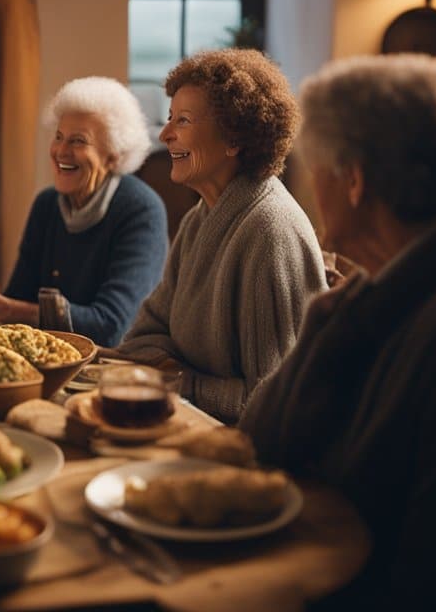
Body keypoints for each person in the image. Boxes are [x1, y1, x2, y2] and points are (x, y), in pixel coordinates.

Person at [240, 55, 436, 609]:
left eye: (313, 166)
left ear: (353, 180)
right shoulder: (371, 294)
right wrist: (332, 312)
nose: (307, 185)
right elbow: (258, 445)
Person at [114, 48, 326, 423]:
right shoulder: (200, 217)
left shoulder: (269, 231)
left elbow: (269, 405)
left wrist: (178, 380)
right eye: (168, 118)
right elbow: (141, 338)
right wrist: (179, 373)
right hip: (192, 426)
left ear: (234, 138)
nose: (165, 134)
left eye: (183, 120)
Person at [0, 77, 167, 346]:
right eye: (58, 137)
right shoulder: (47, 204)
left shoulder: (141, 210)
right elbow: (19, 299)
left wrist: (7, 310)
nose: (61, 151)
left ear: (113, 156)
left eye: (78, 141)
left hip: (115, 370)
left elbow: (112, 327)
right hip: (50, 361)